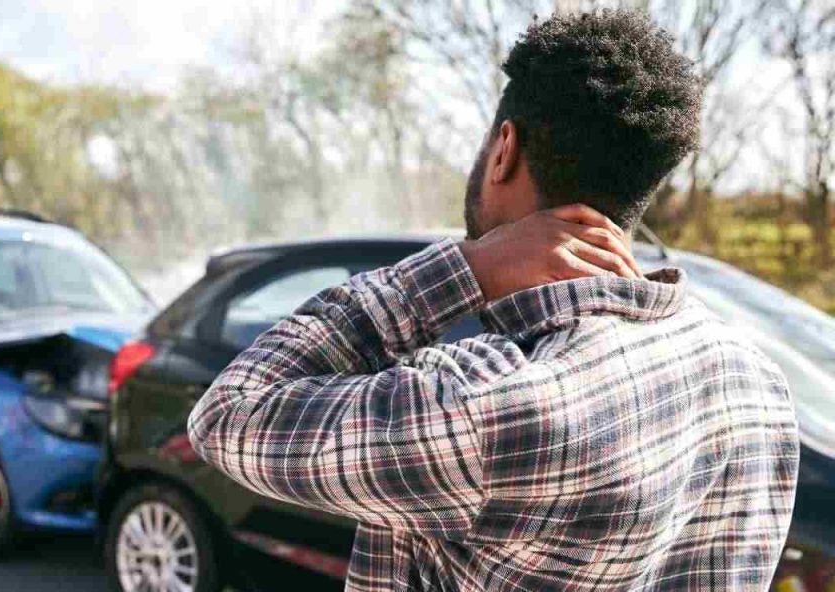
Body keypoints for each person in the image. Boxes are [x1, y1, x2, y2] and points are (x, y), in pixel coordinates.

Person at [188, 10, 799, 591]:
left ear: (504, 148)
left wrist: (466, 266)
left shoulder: (486, 404)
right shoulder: (755, 383)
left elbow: (229, 414)